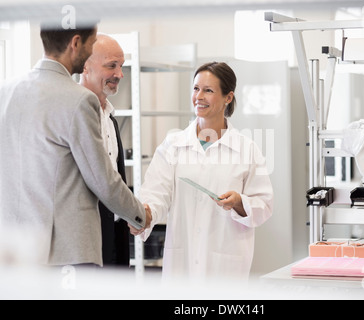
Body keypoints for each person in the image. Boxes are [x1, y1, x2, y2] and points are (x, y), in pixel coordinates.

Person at [0, 22, 151, 267]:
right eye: (90, 44)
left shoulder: (5, 92)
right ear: (76, 43)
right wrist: (141, 215)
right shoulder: (79, 100)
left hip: (15, 251)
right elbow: (103, 180)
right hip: (66, 253)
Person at [131, 62, 273, 283]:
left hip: (225, 267)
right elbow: (156, 194)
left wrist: (238, 202)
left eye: (208, 90)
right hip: (182, 265)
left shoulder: (247, 149)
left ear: (228, 97)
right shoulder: (174, 144)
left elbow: (264, 205)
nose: (199, 96)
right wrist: (145, 215)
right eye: (196, 88)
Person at [80, 34, 130, 267]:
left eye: (121, 66)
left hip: (114, 233)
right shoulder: (74, 115)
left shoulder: (110, 117)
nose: (119, 74)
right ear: (85, 67)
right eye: (111, 66)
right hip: (85, 239)